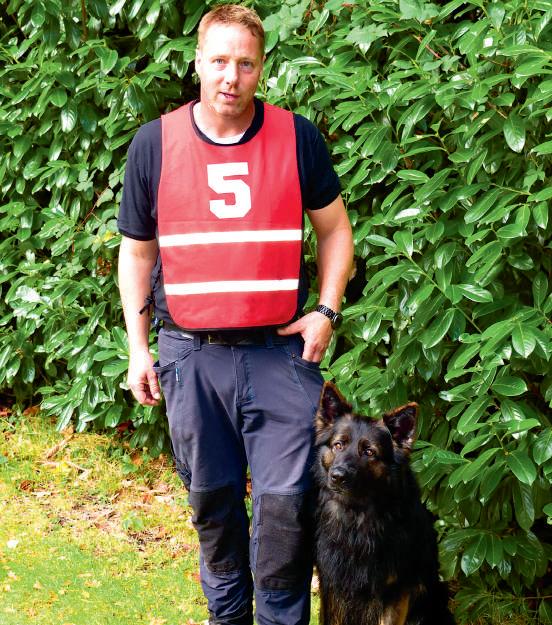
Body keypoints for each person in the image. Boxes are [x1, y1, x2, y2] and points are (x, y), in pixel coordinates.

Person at [117, 5, 353, 625]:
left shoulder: (296, 137)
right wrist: (139, 349)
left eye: (245, 63)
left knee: (285, 514)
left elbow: (336, 230)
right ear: (197, 62)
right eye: (219, 60)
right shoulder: (154, 144)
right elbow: (137, 254)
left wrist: (326, 310)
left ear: (261, 68)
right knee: (214, 510)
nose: (231, 76)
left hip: (280, 355)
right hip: (191, 355)